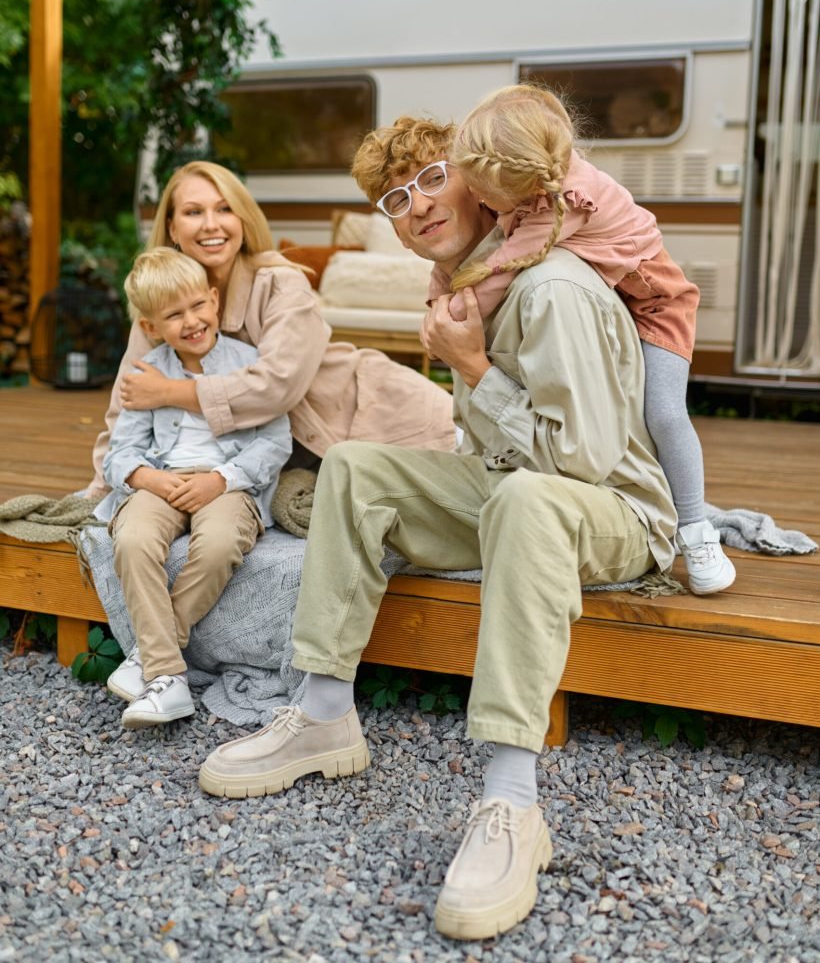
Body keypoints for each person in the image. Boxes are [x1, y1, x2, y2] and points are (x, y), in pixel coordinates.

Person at [197, 117, 678, 941]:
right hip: (510, 490)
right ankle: (322, 714)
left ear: (478, 182)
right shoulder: (467, 286)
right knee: (354, 465)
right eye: (395, 198)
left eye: (430, 179)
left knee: (527, 499)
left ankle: (512, 804)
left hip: (614, 513)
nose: (416, 206)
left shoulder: (549, 286)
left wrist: (475, 369)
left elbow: (580, 464)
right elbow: (490, 453)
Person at [426, 84, 735, 596]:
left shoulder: (561, 207)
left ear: (519, 185)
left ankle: (696, 529)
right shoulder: (528, 183)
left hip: (657, 309)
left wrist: (450, 320)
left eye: (483, 191)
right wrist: (443, 282)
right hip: (614, 303)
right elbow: (487, 253)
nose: (476, 199)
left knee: (661, 414)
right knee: (617, 413)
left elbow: (500, 270)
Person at [87, 161, 455, 499]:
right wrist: (102, 489)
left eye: (225, 208)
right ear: (172, 228)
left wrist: (170, 391)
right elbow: (128, 401)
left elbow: (275, 386)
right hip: (304, 456)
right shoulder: (159, 308)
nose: (211, 224)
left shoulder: (282, 283)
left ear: (243, 218)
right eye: (193, 212)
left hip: (384, 418)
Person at [97, 248, 292, 729]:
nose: (190, 322)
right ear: (150, 327)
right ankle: (171, 680)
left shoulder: (248, 364)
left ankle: (151, 660)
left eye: (196, 307)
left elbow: (274, 443)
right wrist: (151, 480)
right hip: (159, 477)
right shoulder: (145, 375)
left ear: (213, 299)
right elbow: (120, 452)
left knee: (222, 542)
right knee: (133, 538)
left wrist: (220, 480)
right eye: (173, 315)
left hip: (227, 481)